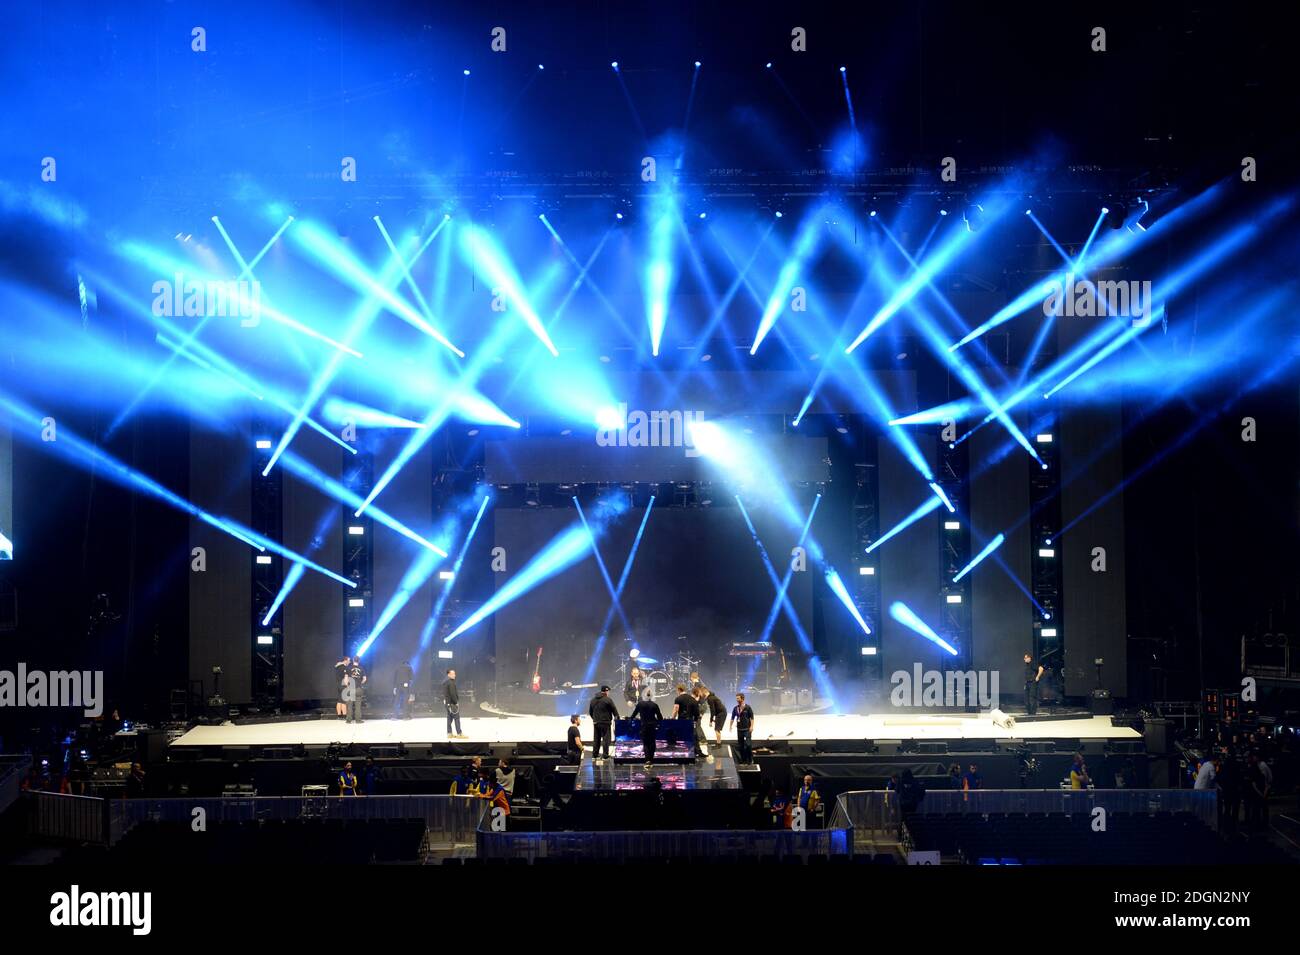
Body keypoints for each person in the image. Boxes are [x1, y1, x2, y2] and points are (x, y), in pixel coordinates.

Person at [588, 686, 619, 761]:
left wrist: (595, 719)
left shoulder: (593, 700)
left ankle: (595, 756)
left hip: (596, 722)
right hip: (605, 722)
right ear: (606, 691)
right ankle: (605, 756)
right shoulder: (608, 700)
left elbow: (590, 712)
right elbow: (614, 710)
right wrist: (617, 717)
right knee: (606, 739)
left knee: (596, 739)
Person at [672, 683, 703, 757]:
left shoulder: (678, 699)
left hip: (682, 720)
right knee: (693, 736)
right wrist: (695, 719)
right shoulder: (692, 698)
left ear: (679, 690)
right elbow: (696, 711)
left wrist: (672, 719)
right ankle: (697, 752)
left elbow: (676, 710)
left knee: (682, 736)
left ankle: (683, 752)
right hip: (690, 720)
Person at [632, 695, 663, 766]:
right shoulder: (654, 705)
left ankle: (647, 760)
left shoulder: (640, 704)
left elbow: (634, 714)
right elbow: (660, 717)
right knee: (652, 742)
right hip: (653, 726)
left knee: (645, 743)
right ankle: (651, 759)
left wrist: (631, 719)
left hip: (644, 726)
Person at [729, 693, 755, 765]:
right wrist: (730, 726)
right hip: (739, 729)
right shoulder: (735, 708)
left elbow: (752, 718)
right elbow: (732, 718)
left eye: (738, 698)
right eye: (736, 698)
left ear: (742, 699)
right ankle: (743, 761)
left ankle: (750, 760)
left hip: (747, 729)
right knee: (741, 746)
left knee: (748, 745)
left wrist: (751, 726)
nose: (737, 700)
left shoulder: (748, 707)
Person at [342, 657, 367, 724]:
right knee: (358, 706)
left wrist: (347, 685)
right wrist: (360, 683)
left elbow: (346, 678)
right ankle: (358, 720)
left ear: (353, 660)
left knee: (349, 705)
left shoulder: (348, 668)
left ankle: (348, 720)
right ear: (359, 661)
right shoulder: (361, 668)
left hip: (350, 688)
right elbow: (364, 679)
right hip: (358, 689)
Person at [442, 668, 466, 739]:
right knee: (456, 718)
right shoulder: (451, 683)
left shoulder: (445, 682)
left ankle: (449, 733)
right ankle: (459, 733)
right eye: (453, 674)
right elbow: (453, 694)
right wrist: (456, 702)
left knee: (449, 718)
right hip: (452, 704)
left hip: (447, 703)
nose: (455, 675)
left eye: (455, 674)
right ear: (449, 674)